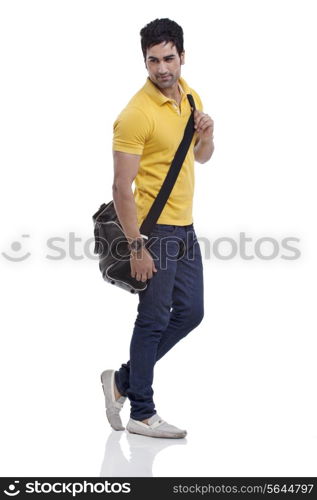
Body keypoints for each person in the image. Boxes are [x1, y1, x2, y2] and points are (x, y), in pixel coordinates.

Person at [101, 18, 214, 439]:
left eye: (169, 58)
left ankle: (122, 381)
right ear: (144, 61)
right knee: (152, 319)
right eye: (153, 60)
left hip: (185, 227)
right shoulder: (135, 114)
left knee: (191, 312)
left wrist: (207, 135)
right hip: (155, 232)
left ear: (182, 56)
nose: (162, 68)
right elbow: (119, 187)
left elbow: (200, 159)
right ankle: (141, 412)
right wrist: (137, 246)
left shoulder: (190, 96)